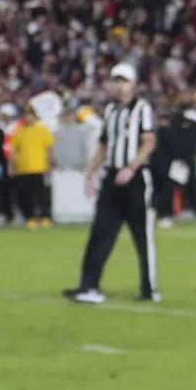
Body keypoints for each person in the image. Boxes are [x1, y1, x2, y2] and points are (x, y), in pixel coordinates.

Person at [63, 63, 160, 304]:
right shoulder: (110, 111)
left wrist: (132, 167)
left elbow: (149, 142)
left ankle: (149, 289)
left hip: (135, 179)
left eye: (124, 81)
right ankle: (88, 286)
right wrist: (90, 174)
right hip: (112, 178)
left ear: (134, 84)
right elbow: (104, 145)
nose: (119, 86)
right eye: (116, 81)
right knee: (100, 232)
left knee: (142, 236)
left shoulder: (142, 109)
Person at [8, 104, 56, 228]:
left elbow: (49, 148)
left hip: (39, 166)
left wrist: (49, 164)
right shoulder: (19, 132)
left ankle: (45, 217)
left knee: (41, 195)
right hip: (23, 168)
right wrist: (11, 166)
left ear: (35, 117)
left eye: (31, 115)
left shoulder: (42, 129)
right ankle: (30, 217)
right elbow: (13, 151)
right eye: (26, 115)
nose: (28, 118)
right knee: (27, 195)